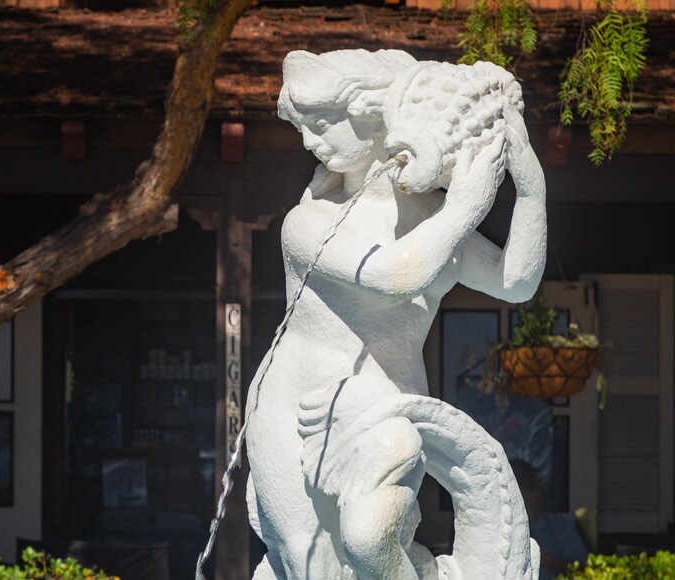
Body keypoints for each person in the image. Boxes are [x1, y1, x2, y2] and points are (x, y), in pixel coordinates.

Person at [245, 48, 548, 579]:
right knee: (305, 563)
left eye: (322, 123)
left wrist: (531, 194)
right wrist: (462, 210)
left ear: (373, 115)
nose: (311, 141)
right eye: (304, 126)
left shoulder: (436, 225)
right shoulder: (309, 222)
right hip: (289, 405)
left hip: (380, 405)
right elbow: (393, 276)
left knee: (371, 539)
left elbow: (516, 283)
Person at [511, 460, 589, 579]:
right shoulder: (498, 528)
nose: (525, 498)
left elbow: (583, 569)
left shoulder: (560, 527)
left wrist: (540, 557)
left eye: (531, 488)